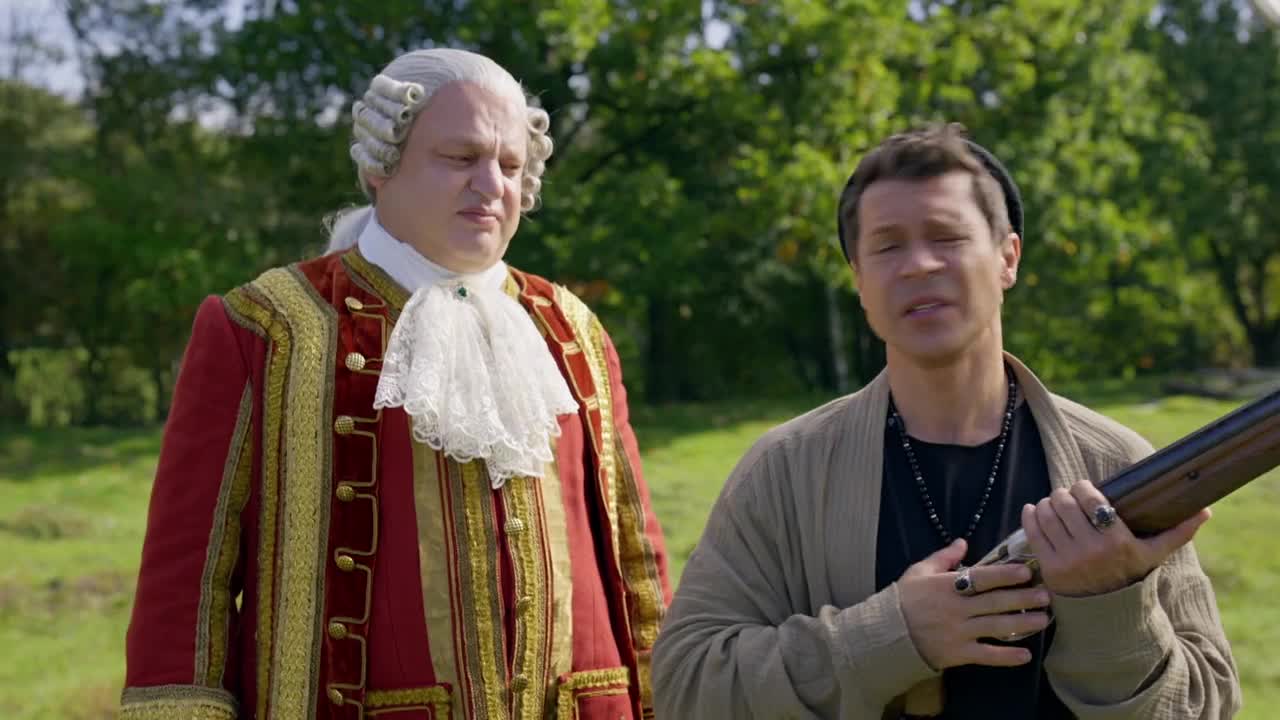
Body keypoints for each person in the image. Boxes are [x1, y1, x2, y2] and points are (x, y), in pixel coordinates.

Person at [119, 48, 671, 720]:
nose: (491, 185)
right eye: (461, 157)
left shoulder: (573, 330)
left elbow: (637, 565)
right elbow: (187, 578)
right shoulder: (265, 328)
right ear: (381, 164)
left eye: (509, 165)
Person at [650, 123, 1241, 719]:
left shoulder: (1115, 465)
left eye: (947, 236)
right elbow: (686, 687)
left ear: (1007, 258)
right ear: (859, 280)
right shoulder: (784, 472)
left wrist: (1110, 608)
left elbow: (1208, 704)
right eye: (887, 247)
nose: (919, 264)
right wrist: (893, 635)